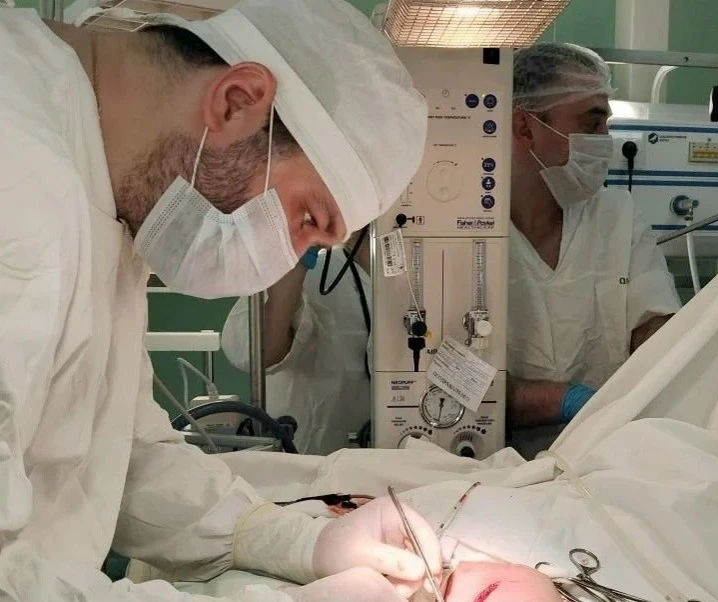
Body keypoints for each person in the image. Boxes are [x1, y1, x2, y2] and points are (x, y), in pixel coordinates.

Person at [0, 1, 443, 601]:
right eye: (306, 218)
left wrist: (302, 544)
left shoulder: (104, 184)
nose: (284, 261)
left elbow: (122, 458)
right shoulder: (19, 179)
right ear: (237, 101)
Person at [507, 42, 681, 443]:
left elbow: (655, 326)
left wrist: (665, 361)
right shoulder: (467, 232)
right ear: (524, 128)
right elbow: (450, 376)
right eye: (592, 124)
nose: (606, 140)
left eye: (607, 125)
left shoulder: (616, 216)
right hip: (488, 459)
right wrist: (565, 400)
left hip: (604, 450)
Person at [221, 229, 371, 455]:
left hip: (406, 459)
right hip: (315, 457)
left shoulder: (420, 277)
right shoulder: (315, 272)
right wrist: (296, 260)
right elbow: (256, 353)